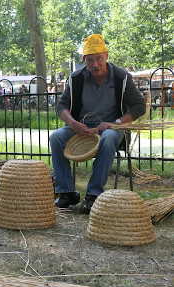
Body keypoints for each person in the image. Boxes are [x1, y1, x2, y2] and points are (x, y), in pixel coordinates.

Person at [50, 34, 145, 214]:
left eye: (99, 59)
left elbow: (139, 106)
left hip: (113, 127)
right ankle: (67, 192)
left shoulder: (121, 77)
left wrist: (114, 123)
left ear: (106, 56)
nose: (95, 65)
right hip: (82, 128)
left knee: (108, 138)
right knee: (56, 137)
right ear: (84, 60)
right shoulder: (76, 78)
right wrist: (72, 122)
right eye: (90, 60)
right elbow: (62, 106)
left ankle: (93, 195)